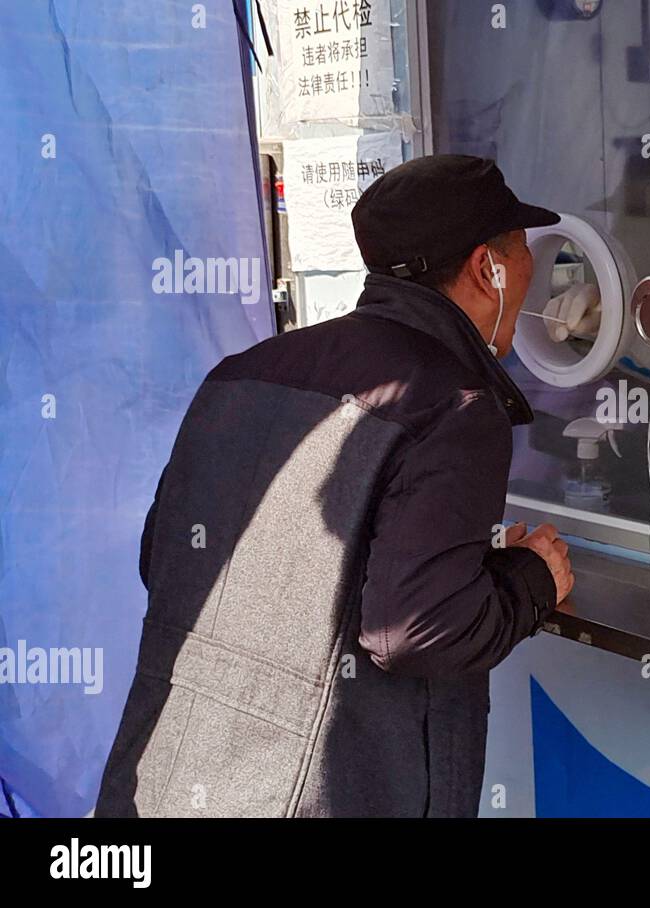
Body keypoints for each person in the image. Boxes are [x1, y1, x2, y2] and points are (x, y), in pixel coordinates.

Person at [96, 155, 573, 817]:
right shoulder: (452, 405)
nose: (531, 269)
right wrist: (529, 581)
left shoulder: (243, 373)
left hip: (161, 779)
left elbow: (167, 560)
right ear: (483, 268)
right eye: (520, 249)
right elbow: (414, 631)